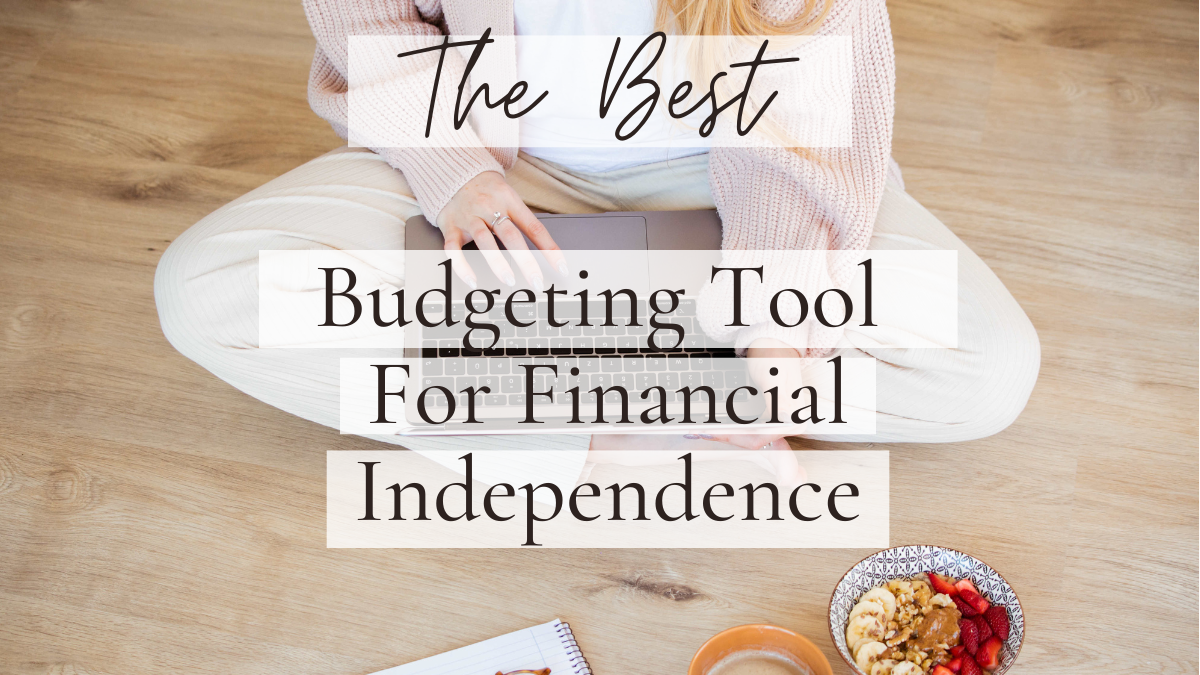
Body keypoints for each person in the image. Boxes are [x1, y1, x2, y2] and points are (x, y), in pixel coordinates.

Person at [154, 0, 1040, 491]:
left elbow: (804, 90)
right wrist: (453, 170)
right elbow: (374, 25)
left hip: (738, 169)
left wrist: (775, 308)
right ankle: (615, 438)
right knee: (207, 290)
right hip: (495, 162)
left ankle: (563, 380)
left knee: (988, 369)